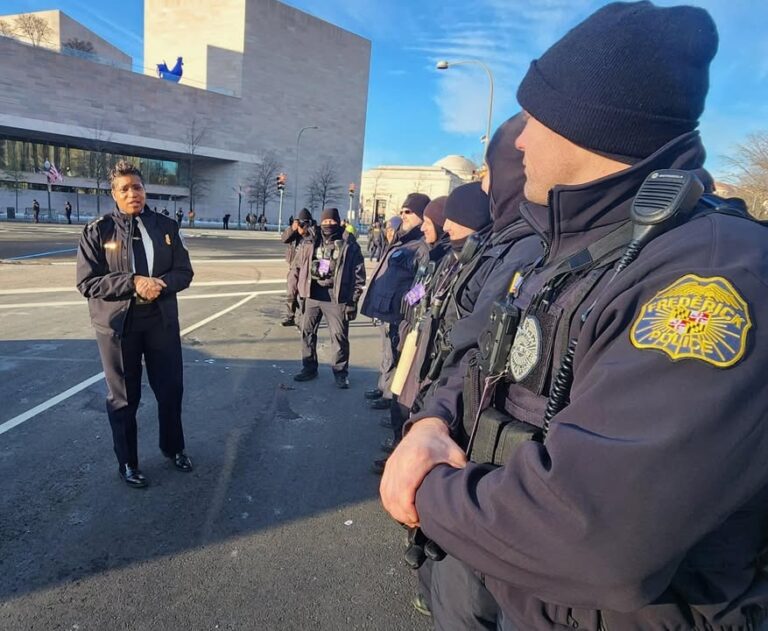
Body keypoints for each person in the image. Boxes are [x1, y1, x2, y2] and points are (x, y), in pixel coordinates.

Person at [381, 3, 768, 629]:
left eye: (536, 117)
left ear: (594, 127)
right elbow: (485, 356)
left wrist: (422, 489)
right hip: (515, 595)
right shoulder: (561, 246)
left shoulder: (714, 276)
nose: (521, 139)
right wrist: (431, 421)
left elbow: (600, 533)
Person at [76, 160, 194, 489]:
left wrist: (162, 284)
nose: (133, 194)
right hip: (118, 326)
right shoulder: (98, 231)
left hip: (161, 321)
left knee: (170, 389)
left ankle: (174, 448)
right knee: (125, 398)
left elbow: (185, 272)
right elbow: (88, 283)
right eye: (124, 189)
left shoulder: (166, 228)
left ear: (145, 190)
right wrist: (133, 282)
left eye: (137, 187)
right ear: (114, 194)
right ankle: (128, 461)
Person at [361, 194, 431, 411]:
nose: (403, 215)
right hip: (386, 310)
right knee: (387, 353)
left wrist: (406, 305)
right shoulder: (403, 240)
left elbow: (423, 285)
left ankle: (391, 397)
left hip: (399, 314)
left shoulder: (421, 246)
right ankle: (384, 388)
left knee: (398, 356)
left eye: (408, 211)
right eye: (402, 211)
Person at [291, 207, 366, 388]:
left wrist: (353, 300)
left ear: (338, 222)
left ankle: (340, 373)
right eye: (325, 221)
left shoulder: (349, 245)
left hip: (336, 297)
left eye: (332, 221)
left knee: (339, 337)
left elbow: (359, 275)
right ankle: (309, 367)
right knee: (307, 332)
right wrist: (296, 292)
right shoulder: (311, 240)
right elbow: (298, 267)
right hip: (312, 294)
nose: (328, 224)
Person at [281, 208, 312, 326]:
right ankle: (290, 315)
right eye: (301, 222)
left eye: (305, 222)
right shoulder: (294, 231)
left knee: (304, 292)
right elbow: (284, 239)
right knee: (291, 290)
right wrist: (292, 229)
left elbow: (314, 237)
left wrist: (305, 231)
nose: (303, 224)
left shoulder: (312, 230)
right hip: (294, 264)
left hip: (306, 266)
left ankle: (302, 318)